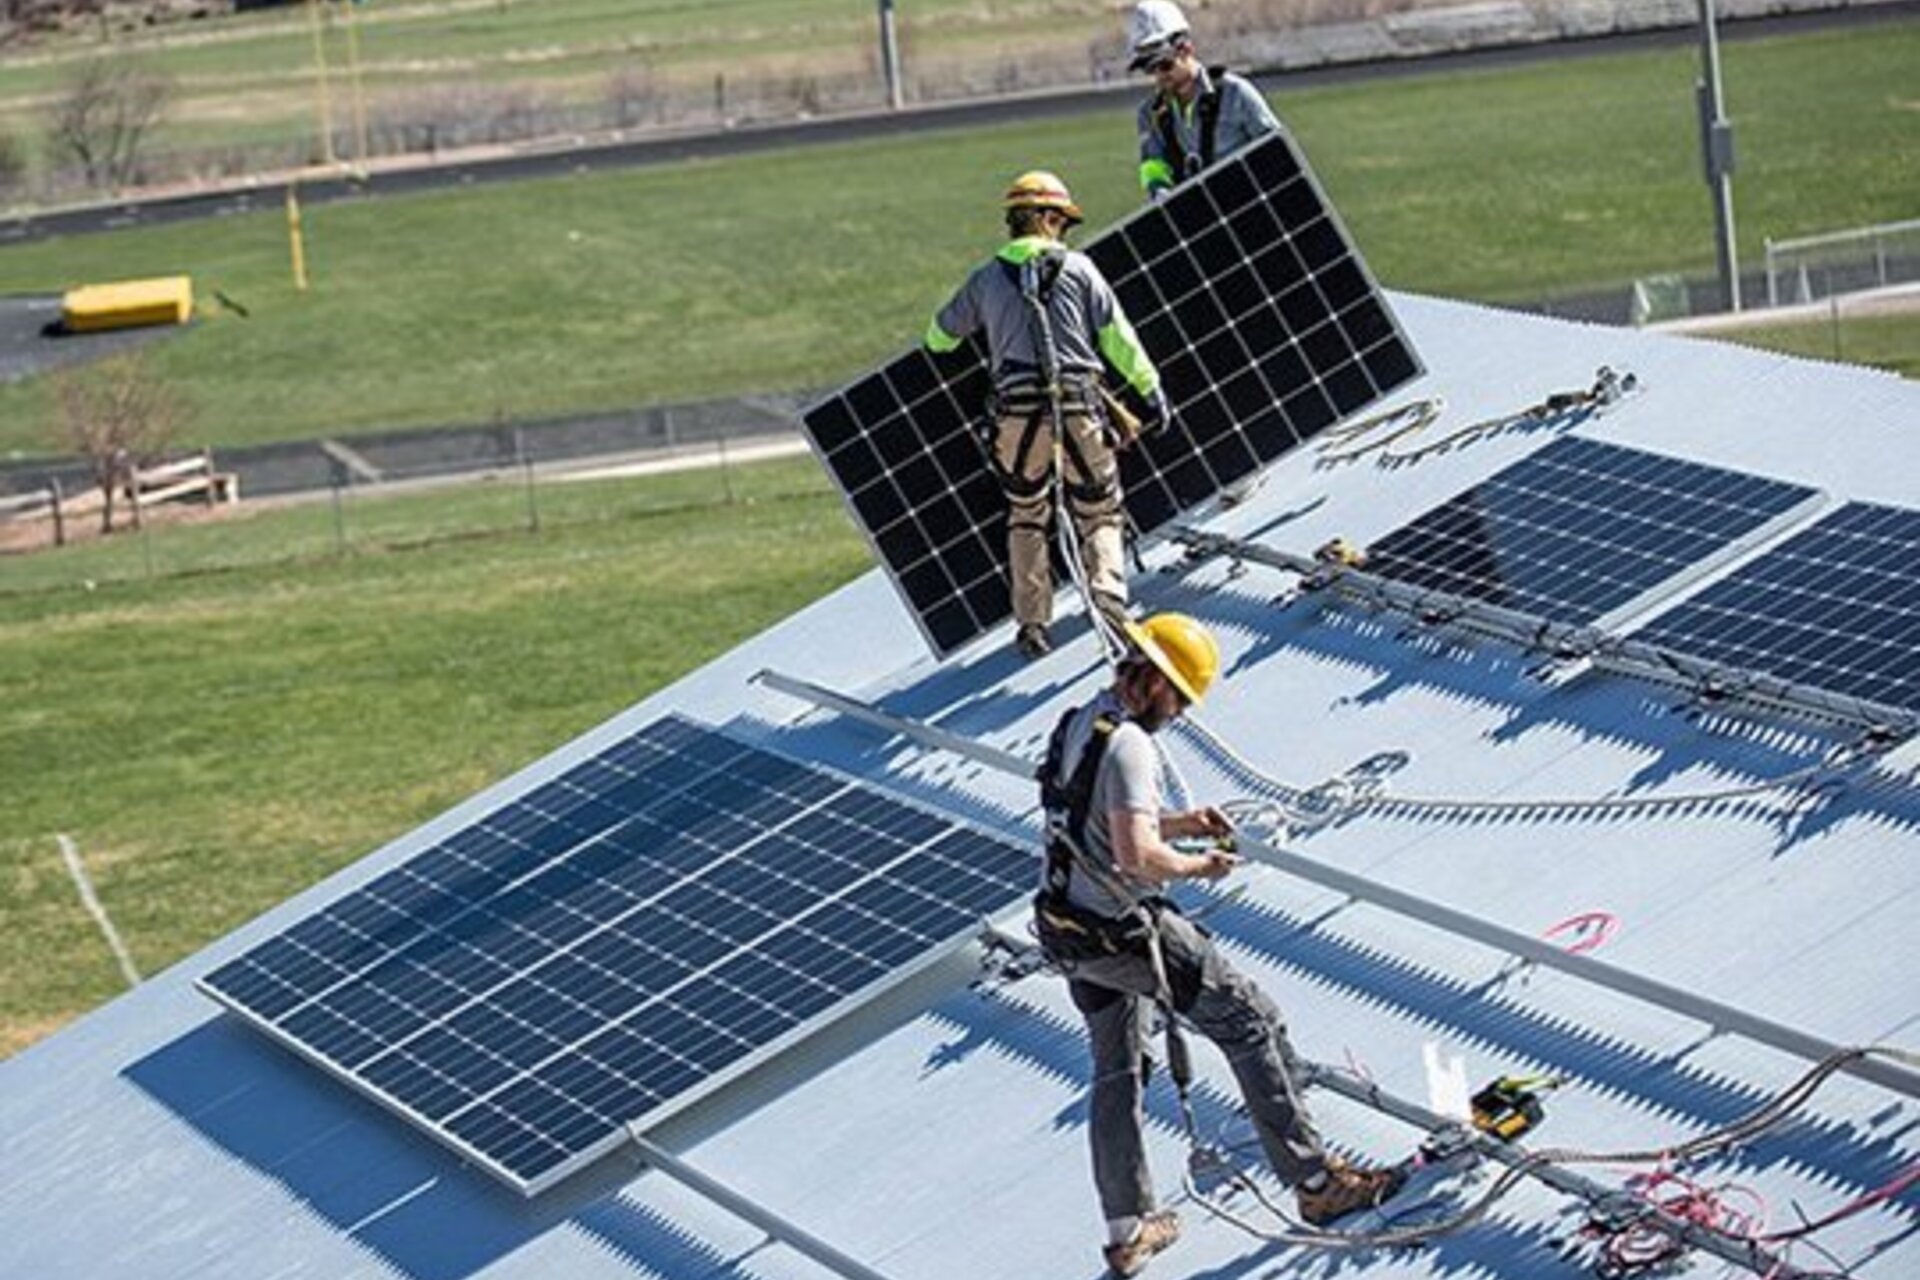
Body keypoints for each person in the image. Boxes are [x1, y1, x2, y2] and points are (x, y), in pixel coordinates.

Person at [1033, 612, 1403, 1276]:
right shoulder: (1134, 746)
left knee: (1116, 1071)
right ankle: (1318, 1185)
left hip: (1067, 929)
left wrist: (1182, 822)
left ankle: (1129, 1229)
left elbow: (1095, 816)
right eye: (1177, 697)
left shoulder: (1080, 721)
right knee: (1248, 1018)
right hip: (1123, 931)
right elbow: (1136, 854)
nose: (1177, 713)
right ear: (1154, 682)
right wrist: (1200, 863)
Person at [924, 170, 1169, 660]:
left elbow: (938, 337)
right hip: (1080, 408)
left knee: (1026, 514)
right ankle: (1110, 601)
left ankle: (1033, 624)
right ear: (1049, 218)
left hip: (1016, 418)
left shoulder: (986, 278)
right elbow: (1118, 339)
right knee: (1099, 509)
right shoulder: (1081, 271)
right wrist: (1150, 389)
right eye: (1063, 221)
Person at [1126, 1, 1283, 202]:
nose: (1158, 76)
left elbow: (1277, 151)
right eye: (1148, 68)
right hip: (1196, 220)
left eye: (1165, 65)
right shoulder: (1149, 115)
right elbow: (1152, 165)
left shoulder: (1235, 93)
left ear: (1186, 49)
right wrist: (1159, 192)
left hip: (1253, 210)